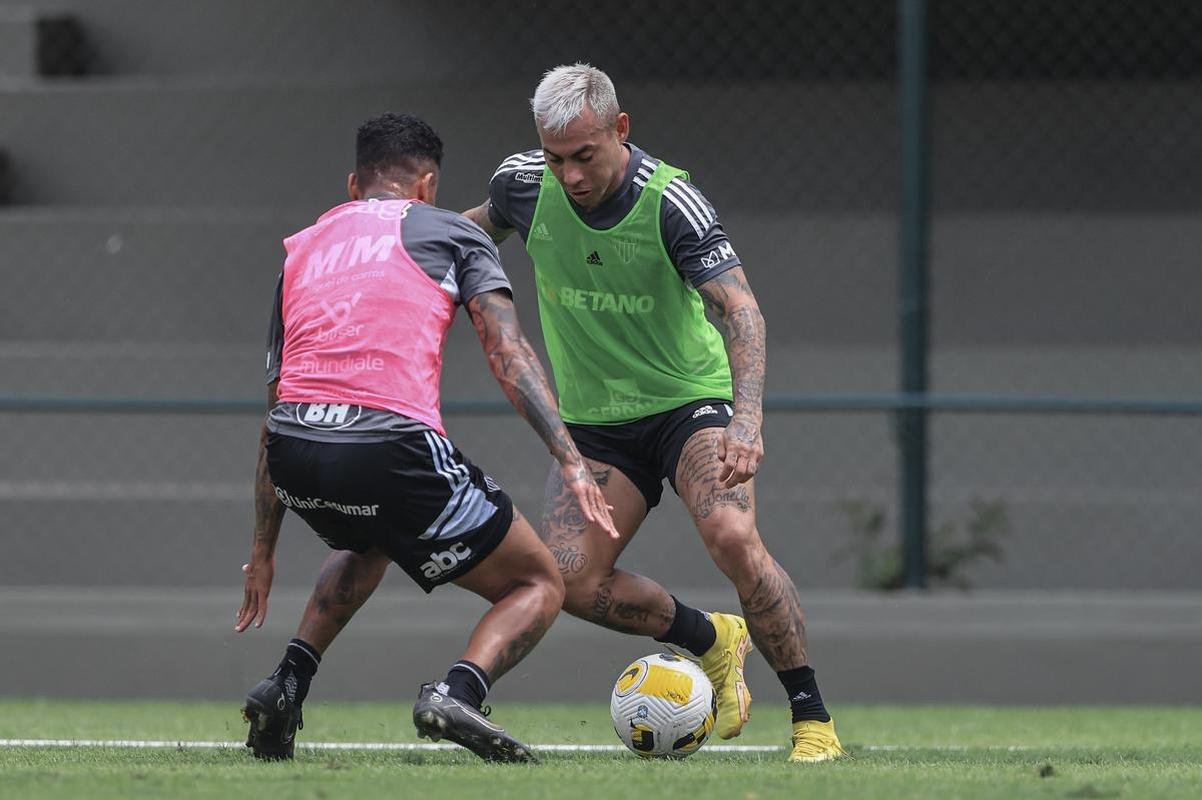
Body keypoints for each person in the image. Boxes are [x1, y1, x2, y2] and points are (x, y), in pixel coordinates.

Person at [460, 63, 848, 763]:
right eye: (556, 157)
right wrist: (391, 242)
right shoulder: (521, 184)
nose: (570, 175)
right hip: (596, 423)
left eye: (585, 155)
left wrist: (747, 420)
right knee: (568, 582)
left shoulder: (671, 202)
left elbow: (741, 310)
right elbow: (465, 237)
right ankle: (712, 639)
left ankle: (811, 718)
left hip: (688, 404)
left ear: (621, 128)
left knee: (732, 536)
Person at [234, 111, 617, 764]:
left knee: (371, 540)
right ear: (428, 186)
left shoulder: (303, 249)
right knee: (539, 582)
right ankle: (457, 693)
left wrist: (262, 551)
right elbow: (508, 354)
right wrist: (570, 458)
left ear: (354, 185)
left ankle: (286, 684)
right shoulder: (450, 232)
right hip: (389, 447)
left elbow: (275, 410)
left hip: (296, 450)